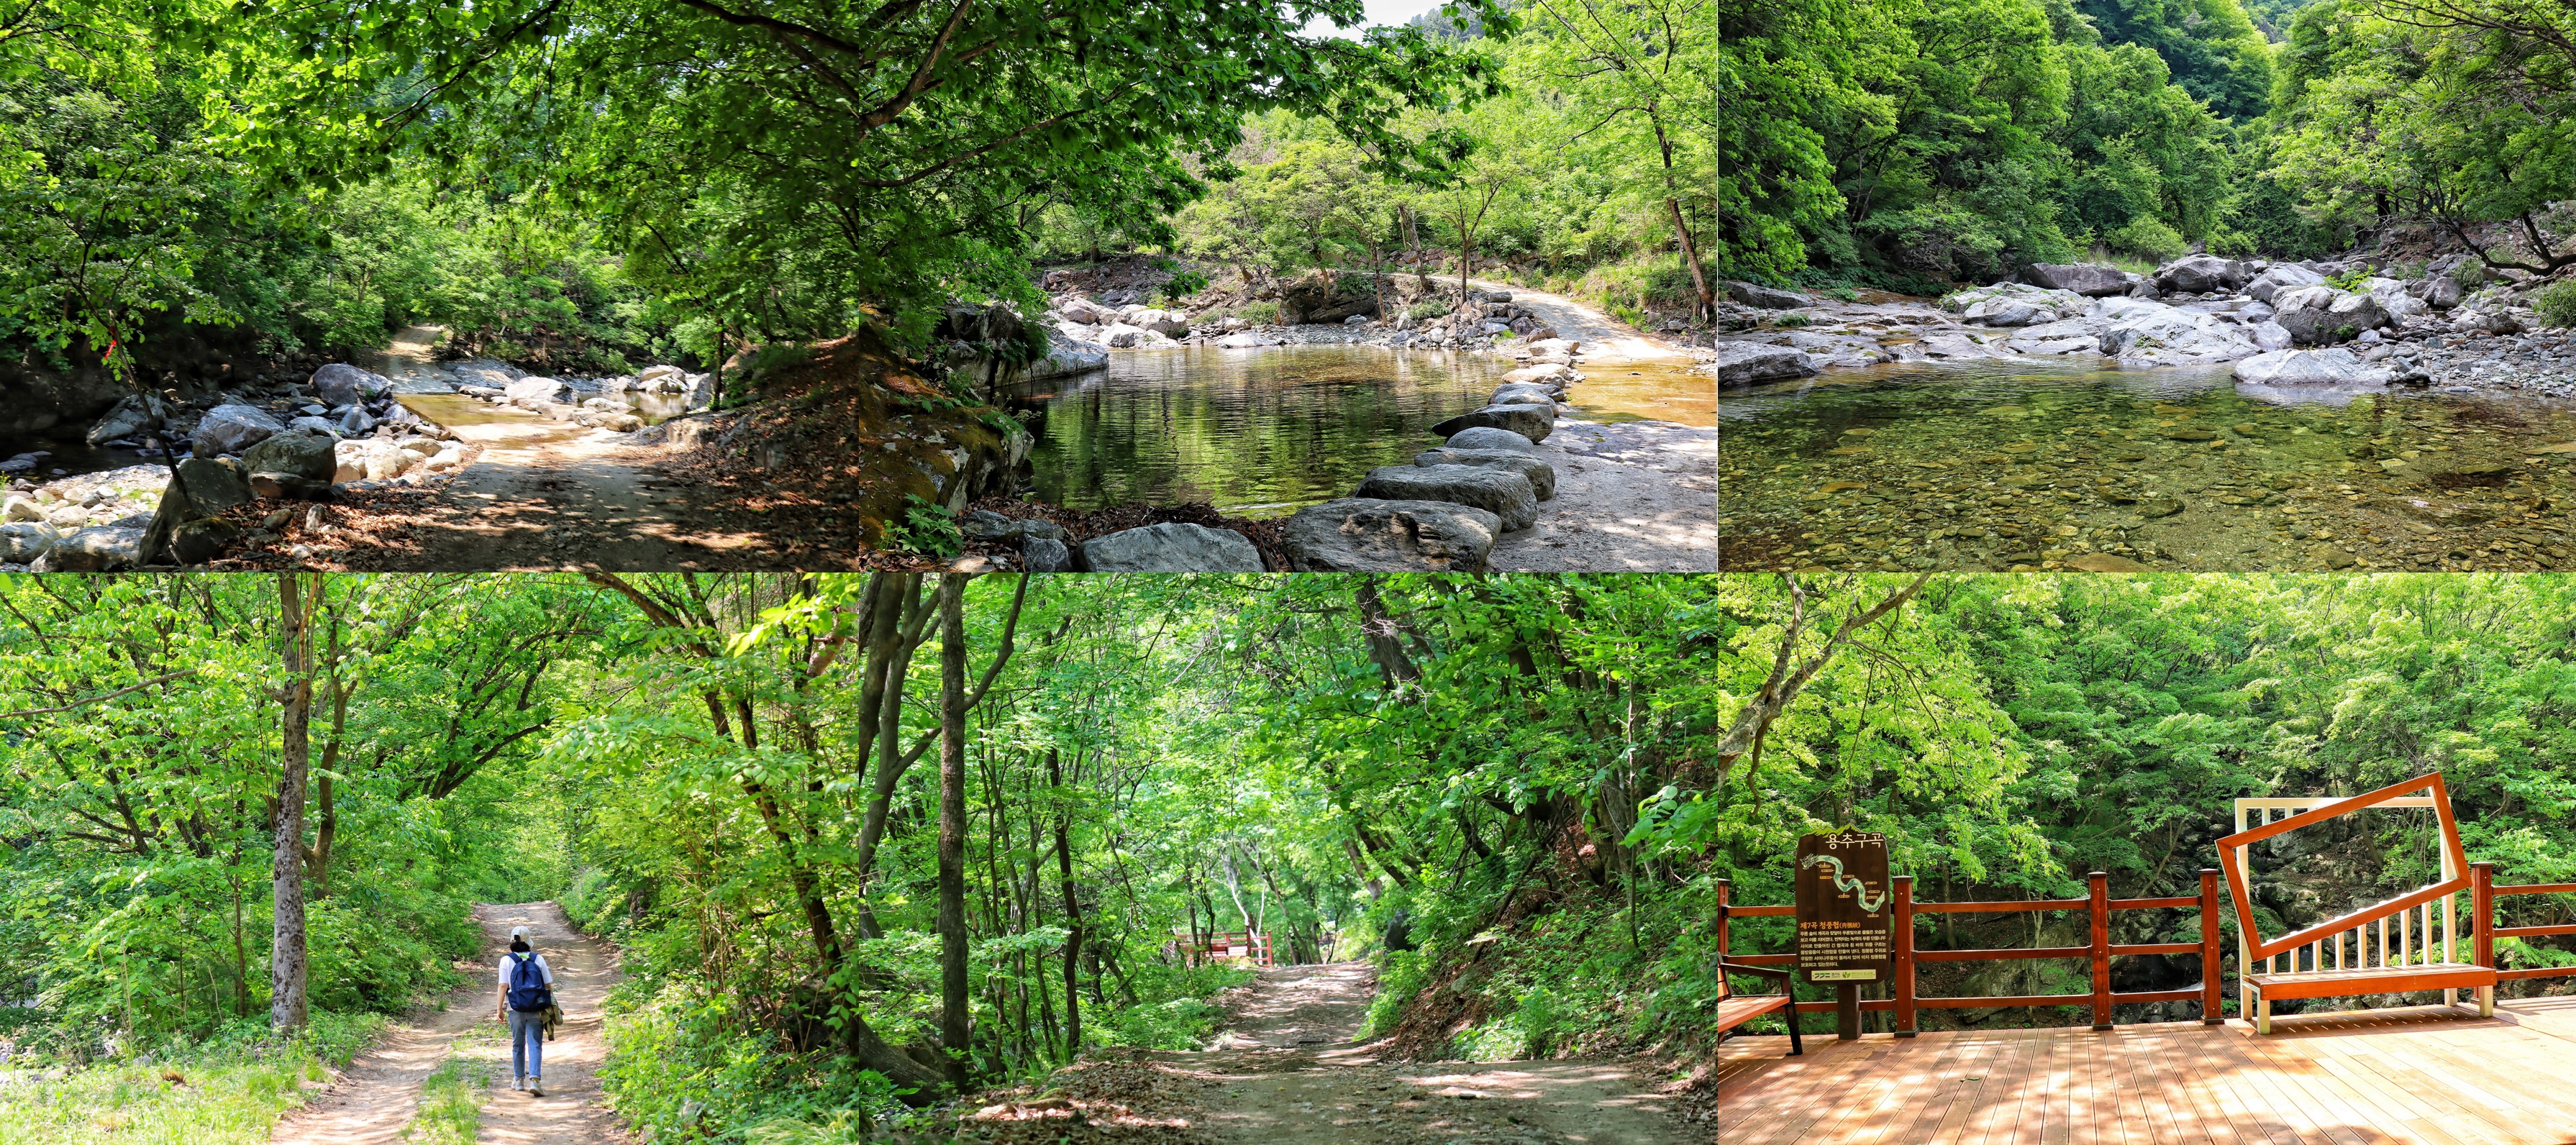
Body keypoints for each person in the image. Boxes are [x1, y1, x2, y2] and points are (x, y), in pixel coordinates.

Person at [496, 924, 555, 1097]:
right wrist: (551, 1006)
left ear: (512, 942)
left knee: (518, 1043)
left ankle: (519, 1080)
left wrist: (499, 1009)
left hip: (515, 1007)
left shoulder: (506, 960)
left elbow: (503, 985)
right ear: (529, 942)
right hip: (536, 1007)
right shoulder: (538, 959)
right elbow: (548, 985)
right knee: (535, 1043)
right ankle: (535, 1080)